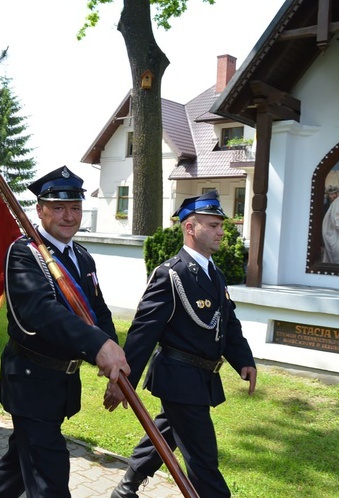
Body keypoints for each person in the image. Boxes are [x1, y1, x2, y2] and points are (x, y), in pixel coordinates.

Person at [0, 166, 129, 498]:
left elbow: (100, 313)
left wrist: (114, 363)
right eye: (58, 207)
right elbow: (42, 312)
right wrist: (98, 348)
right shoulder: (23, 253)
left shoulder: (83, 258)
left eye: (75, 207)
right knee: (50, 476)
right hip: (30, 382)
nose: (68, 216)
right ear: (40, 210)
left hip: (60, 384)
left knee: (17, 466)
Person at [105, 190, 257, 498]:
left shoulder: (215, 274)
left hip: (202, 378)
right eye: (213, 225)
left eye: (220, 225)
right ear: (190, 227)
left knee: (165, 432)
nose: (221, 231)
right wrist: (124, 381)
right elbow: (143, 332)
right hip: (178, 377)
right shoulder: (170, 274)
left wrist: (244, 360)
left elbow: (227, 322)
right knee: (203, 458)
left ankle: (126, 487)